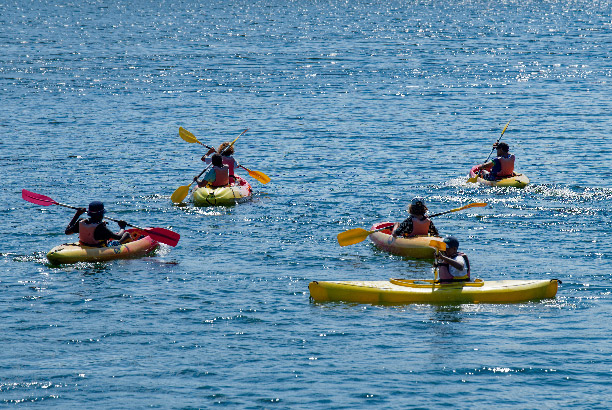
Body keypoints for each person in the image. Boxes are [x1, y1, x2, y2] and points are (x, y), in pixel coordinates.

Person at [65, 201, 130, 247]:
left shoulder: (82, 222)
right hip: (99, 247)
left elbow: (67, 232)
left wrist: (77, 214)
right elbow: (118, 237)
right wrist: (122, 227)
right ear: (101, 214)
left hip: (84, 244)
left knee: (108, 236)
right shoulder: (101, 227)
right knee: (126, 234)